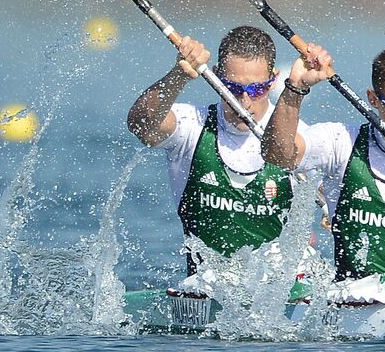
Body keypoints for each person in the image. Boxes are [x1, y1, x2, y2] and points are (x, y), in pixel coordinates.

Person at [263, 43, 385, 282]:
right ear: (373, 99)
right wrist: (296, 87)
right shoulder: (342, 143)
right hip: (350, 300)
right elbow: (278, 155)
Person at [127, 25, 305, 271]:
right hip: (204, 285)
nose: (244, 101)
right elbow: (140, 126)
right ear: (216, 76)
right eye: (232, 88)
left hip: (280, 288)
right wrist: (178, 75)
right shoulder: (193, 126)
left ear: (273, 80)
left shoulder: (299, 138)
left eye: (256, 89)